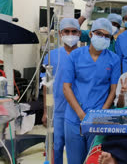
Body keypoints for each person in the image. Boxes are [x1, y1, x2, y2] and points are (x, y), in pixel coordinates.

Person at [63, 18, 121, 164]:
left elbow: (113, 90)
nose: (102, 38)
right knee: (75, 160)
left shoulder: (114, 59)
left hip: (99, 119)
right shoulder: (75, 56)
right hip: (74, 118)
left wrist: (101, 114)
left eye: (107, 36)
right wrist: (80, 114)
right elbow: (66, 87)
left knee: (95, 160)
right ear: (90, 34)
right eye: (99, 34)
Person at [41, 18, 81, 164]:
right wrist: (46, 111)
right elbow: (47, 85)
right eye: (66, 31)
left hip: (78, 112)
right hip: (57, 111)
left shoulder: (85, 55)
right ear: (60, 33)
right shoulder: (51, 56)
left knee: (76, 152)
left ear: (79, 33)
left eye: (73, 31)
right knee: (54, 148)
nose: (70, 34)